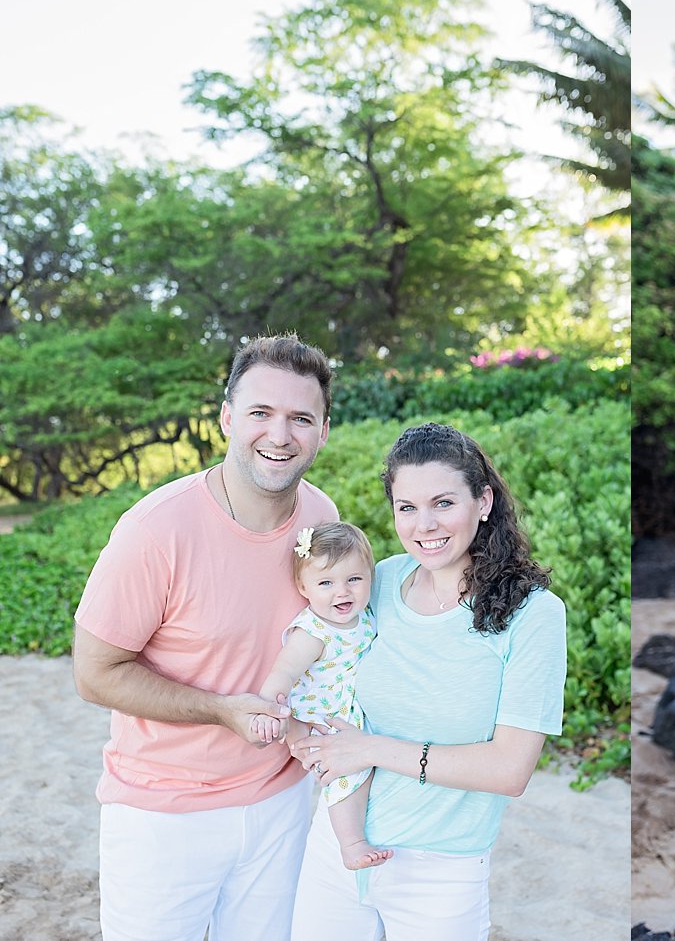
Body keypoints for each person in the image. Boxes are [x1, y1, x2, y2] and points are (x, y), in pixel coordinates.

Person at [72, 334, 340, 941]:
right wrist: (220, 712)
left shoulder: (322, 518)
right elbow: (94, 673)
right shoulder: (155, 529)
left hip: (283, 800)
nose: (280, 435)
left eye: (301, 418)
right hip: (162, 814)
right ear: (226, 419)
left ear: (323, 431)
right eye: (260, 413)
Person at [290, 421, 567, 938]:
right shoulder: (378, 581)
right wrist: (303, 737)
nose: (424, 525)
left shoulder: (535, 614)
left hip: (440, 873)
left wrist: (370, 748)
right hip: (337, 849)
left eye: (443, 503)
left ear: (482, 502)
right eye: (406, 507)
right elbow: (315, 661)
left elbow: (510, 771)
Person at [249, 520, 391, 871]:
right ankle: (351, 843)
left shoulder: (366, 616)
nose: (341, 592)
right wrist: (270, 711)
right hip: (321, 719)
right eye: (325, 583)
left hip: (349, 708)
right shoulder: (314, 631)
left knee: (367, 767)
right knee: (347, 775)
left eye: (354, 580)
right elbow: (283, 672)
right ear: (303, 586)